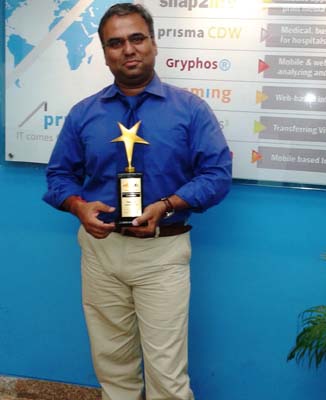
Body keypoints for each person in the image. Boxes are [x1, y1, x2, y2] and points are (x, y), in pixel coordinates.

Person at [43, 3, 232, 400]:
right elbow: (58, 176)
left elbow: (217, 176)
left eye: (136, 38)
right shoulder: (83, 114)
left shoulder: (190, 110)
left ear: (153, 44)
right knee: (113, 368)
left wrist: (167, 205)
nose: (128, 49)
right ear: (105, 53)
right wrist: (77, 206)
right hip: (100, 251)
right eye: (115, 43)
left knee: (167, 375)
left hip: (162, 253)